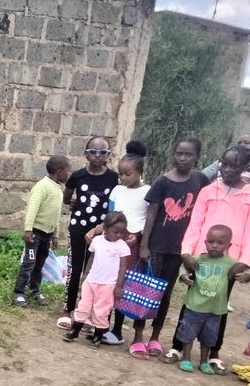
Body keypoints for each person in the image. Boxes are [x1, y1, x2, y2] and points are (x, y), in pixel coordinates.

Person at [164, 143, 250, 369]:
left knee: (219, 306)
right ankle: (177, 346)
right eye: (224, 164)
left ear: (245, 166)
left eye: (234, 166)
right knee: (191, 302)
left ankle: (213, 352)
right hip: (201, 258)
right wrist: (186, 252)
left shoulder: (248, 195)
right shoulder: (209, 191)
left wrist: (244, 262)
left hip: (230, 262)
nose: (227, 170)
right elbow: (195, 224)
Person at [132, 137, 210, 358]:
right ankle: (138, 336)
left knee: (165, 294)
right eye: (179, 153)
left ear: (196, 157)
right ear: (173, 155)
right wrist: (144, 245)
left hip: (180, 249)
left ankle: (155, 337)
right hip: (157, 246)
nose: (183, 158)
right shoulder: (162, 182)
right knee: (147, 291)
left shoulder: (200, 180)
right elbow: (151, 215)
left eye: (188, 154)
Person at [58, 136, 119, 329]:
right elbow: (67, 197)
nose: (97, 155)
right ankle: (68, 309)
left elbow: (115, 203)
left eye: (102, 152)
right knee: (75, 270)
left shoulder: (113, 178)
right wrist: (73, 203)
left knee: (95, 272)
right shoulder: (77, 176)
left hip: (102, 233)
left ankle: (90, 313)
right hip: (78, 229)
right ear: (86, 154)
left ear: (108, 155)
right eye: (93, 151)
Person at [93, 144, 149, 346]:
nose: (123, 178)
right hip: (111, 241)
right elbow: (110, 215)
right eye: (121, 174)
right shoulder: (117, 191)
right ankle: (101, 325)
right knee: (106, 281)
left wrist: (140, 237)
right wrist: (100, 231)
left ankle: (117, 329)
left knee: (122, 283)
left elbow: (148, 219)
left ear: (139, 172)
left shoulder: (147, 192)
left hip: (131, 243)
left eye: (128, 174)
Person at [174, 225, 248, 374]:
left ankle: (204, 362)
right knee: (188, 333)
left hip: (215, 310)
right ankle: (186, 359)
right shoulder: (197, 259)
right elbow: (183, 267)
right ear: (205, 242)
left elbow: (246, 271)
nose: (214, 245)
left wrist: (247, 276)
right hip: (194, 306)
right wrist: (184, 276)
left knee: (209, 337)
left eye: (220, 243)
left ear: (228, 245)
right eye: (211, 241)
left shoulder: (231, 263)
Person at [64, 212, 131, 347]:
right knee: (83, 306)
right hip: (91, 281)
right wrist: (85, 276)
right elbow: (92, 258)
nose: (119, 235)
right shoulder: (97, 241)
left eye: (122, 233)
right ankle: (75, 330)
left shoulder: (122, 246)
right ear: (105, 228)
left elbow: (123, 268)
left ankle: (98, 335)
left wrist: (119, 286)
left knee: (102, 311)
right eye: (116, 232)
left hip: (108, 285)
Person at [13, 154, 70, 307]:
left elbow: (56, 215)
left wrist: (55, 235)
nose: (68, 174)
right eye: (67, 170)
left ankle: (34, 290)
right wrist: (28, 229)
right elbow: (32, 209)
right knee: (29, 262)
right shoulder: (42, 186)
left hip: (47, 234)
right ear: (60, 171)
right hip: (35, 233)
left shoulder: (58, 190)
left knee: (40, 263)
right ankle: (19, 292)